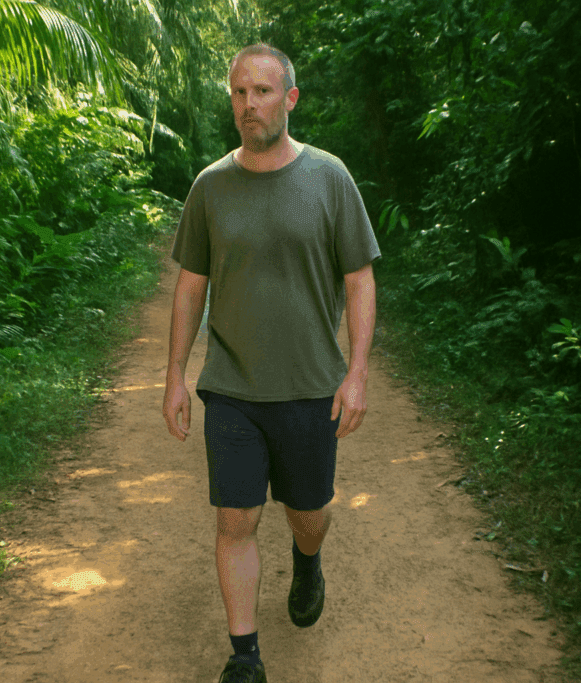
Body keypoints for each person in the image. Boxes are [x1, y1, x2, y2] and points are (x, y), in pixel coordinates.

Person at [162, 42, 380, 683]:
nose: (247, 105)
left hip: (310, 384)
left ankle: (308, 561)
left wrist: (358, 371)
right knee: (236, 518)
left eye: (261, 92)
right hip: (230, 384)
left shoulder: (330, 178)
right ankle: (245, 657)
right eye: (237, 92)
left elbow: (360, 279)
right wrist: (174, 374)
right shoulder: (210, 186)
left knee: (307, 514)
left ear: (289, 99)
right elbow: (190, 284)